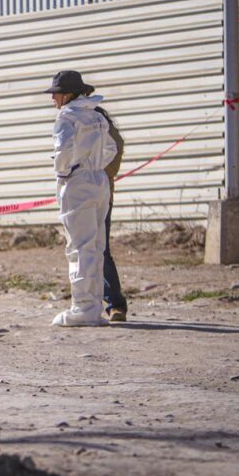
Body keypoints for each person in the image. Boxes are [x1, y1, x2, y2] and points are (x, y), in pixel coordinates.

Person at [46, 70, 117, 327]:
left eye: (55, 94)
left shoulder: (66, 117)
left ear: (66, 95)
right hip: (99, 181)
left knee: (79, 247)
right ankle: (94, 306)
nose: (53, 99)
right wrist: (95, 166)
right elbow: (112, 148)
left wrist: (64, 172)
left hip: (78, 184)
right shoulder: (96, 115)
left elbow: (63, 150)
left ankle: (83, 309)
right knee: (96, 247)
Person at [95, 103, 128, 322]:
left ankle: (115, 304)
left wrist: (95, 175)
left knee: (102, 251)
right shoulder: (72, 121)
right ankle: (85, 303)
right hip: (78, 201)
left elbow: (116, 147)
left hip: (100, 197)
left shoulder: (97, 120)